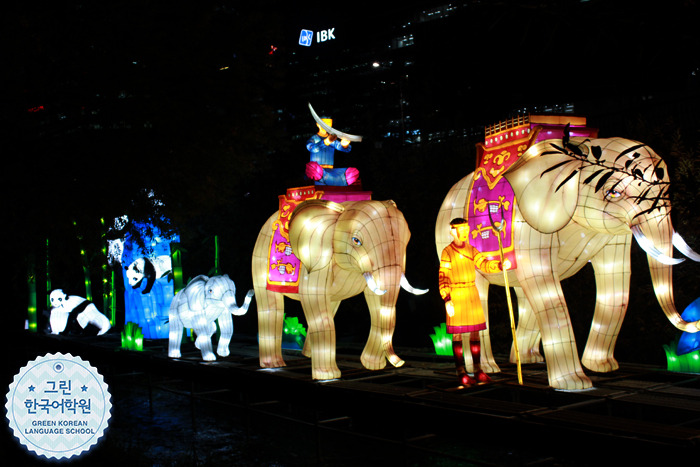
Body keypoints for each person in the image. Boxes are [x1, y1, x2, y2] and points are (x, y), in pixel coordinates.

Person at [439, 218, 495, 386]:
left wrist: (499, 265)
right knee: (457, 334)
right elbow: (443, 275)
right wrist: (447, 298)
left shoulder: (471, 249)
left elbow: (483, 263)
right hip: (456, 294)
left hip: (471, 293)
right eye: (460, 230)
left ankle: (477, 369)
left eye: (465, 229)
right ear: (453, 231)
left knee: (475, 332)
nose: (464, 233)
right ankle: (460, 371)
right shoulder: (447, 252)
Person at [305, 118, 359, 186]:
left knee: (353, 172)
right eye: (325, 123)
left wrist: (345, 144)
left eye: (329, 123)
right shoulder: (314, 138)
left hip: (331, 171)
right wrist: (327, 141)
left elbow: (343, 148)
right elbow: (312, 148)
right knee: (312, 169)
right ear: (318, 124)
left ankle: (326, 179)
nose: (328, 126)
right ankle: (335, 181)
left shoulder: (332, 139)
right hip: (318, 170)